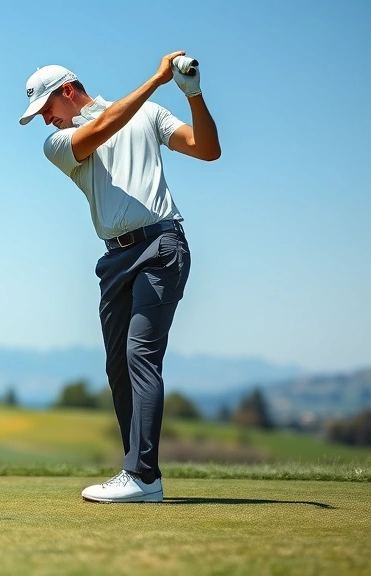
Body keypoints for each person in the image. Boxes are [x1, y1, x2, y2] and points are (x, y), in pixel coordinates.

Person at [18, 51, 221, 503]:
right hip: (114, 260)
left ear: (67, 91)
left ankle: (142, 474)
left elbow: (207, 149)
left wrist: (193, 95)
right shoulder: (60, 144)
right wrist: (157, 78)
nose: (46, 120)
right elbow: (106, 123)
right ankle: (141, 476)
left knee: (140, 354)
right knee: (118, 367)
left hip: (161, 246)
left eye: (46, 109)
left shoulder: (149, 115)